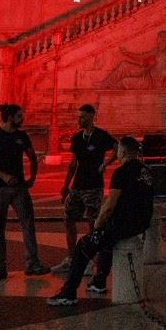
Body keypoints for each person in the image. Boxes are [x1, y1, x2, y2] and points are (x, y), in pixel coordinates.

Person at [48, 136, 155, 305]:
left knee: (83, 245)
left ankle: (68, 292)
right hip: (141, 222)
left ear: (124, 152)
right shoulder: (146, 171)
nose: (117, 153)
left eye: (119, 149)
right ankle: (99, 281)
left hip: (123, 224)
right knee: (106, 242)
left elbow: (110, 204)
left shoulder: (121, 172)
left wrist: (98, 222)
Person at [0, 104, 48, 280]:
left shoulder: (22, 136)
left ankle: (32, 263)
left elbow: (32, 157)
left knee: (28, 225)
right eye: (19, 116)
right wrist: (4, 176)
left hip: (19, 188)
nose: (22, 119)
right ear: (10, 117)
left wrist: (32, 178)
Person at [54, 104, 115, 272]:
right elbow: (72, 164)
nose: (78, 120)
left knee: (93, 224)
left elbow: (117, 148)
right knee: (68, 220)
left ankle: (91, 260)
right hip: (77, 185)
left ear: (91, 117)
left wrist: (106, 163)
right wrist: (66, 185)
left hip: (93, 186)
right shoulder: (77, 137)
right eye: (78, 116)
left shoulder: (101, 136)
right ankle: (71, 258)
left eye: (82, 117)